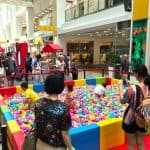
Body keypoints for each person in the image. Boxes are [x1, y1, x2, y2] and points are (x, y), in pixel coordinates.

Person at [35, 72, 73, 150]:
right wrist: (70, 147)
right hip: (55, 147)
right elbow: (65, 134)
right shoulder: (63, 108)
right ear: (61, 87)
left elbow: (38, 122)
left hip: (39, 144)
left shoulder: (38, 102)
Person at [119, 64, 149, 150]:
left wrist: (120, 87)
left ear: (137, 74)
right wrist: (130, 86)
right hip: (144, 116)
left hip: (131, 118)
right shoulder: (148, 86)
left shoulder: (133, 89)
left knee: (131, 144)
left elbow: (122, 100)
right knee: (141, 143)